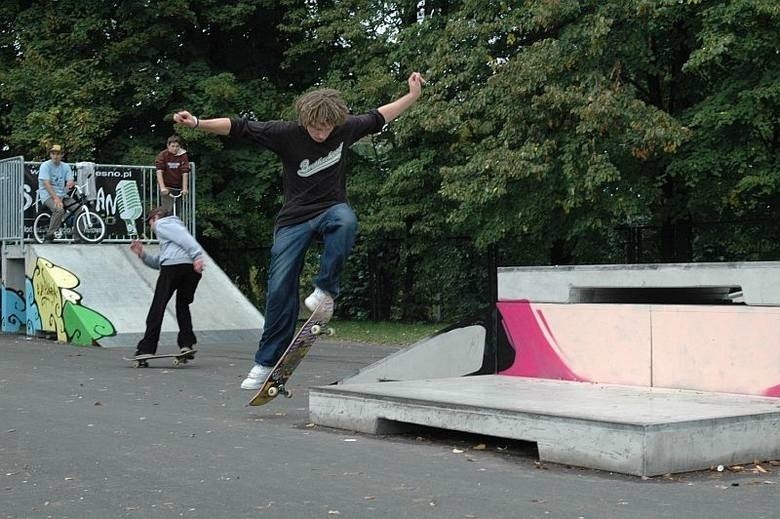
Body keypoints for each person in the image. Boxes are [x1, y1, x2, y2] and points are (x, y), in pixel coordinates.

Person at [172, 71, 425, 389]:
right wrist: (197, 123)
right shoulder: (285, 133)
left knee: (346, 220)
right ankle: (265, 364)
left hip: (330, 209)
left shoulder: (345, 128)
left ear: (337, 122)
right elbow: (238, 127)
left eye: (327, 128)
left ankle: (325, 291)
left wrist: (412, 96)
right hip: (293, 219)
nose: (321, 133)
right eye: (315, 128)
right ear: (304, 121)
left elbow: (379, 116)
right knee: (279, 289)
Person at [130, 206, 204, 359]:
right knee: (182, 306)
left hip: (174, 268)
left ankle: (147, 348)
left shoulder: (162, 224)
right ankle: (186, 344)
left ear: (156, 217)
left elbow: (185, 239)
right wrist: (142, 254)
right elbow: (159, 261)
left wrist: (197, 255)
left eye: (149, 222)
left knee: (158, 306)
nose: (151, 227)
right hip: (190, 270)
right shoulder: (174, 232)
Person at [38, 144, 75, 242]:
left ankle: (79, 237)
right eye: (53, 153)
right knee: (59, 210)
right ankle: (49, 235)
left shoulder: (66, 166)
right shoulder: (45, 165)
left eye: (58, 154)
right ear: (50, 155)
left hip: (62, 195)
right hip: (48, 195)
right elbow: (46, 184)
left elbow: (69, 180)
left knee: (79, 208)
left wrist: (70, 183)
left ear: (61, 155)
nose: (55, 156)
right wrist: (56, 198)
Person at [155, 135, 190, 215]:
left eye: (177, 146)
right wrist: (162, 187)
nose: (175, 148)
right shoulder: (163, 155)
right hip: (167, 186)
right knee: (167, 211)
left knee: (176, 212)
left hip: (177, 187)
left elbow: (185, 172)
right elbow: (159, 171)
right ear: (168, 146)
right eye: (173, 146)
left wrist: (184, 188)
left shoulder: (183, 155)